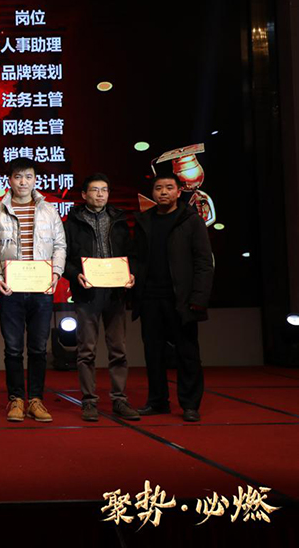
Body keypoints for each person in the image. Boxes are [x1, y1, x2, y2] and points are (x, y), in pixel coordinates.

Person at [0, 157, 66, 423]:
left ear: (35, 179)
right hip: (10, 289)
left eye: (28, 177)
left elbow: (60, 246)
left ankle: (36, 400)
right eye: (18, 177)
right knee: (13, 349)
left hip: (41, 289)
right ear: (9, 180)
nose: (23, 182)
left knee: (39, 349)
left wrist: (56, 273)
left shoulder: (49, 210)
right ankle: (16, 399)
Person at [131, 173, 214, 422]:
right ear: (153, 193)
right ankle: (158, 402)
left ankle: (190, 404)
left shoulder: (191, 220)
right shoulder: (144, 220)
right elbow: (136, 257)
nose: (163, 192)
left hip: (182, 299)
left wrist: (199, 298)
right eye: (158, 188)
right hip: (150, 298)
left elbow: (203, 263)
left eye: (169, 187)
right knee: (153, 353)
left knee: (187, 353)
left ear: (179, 192)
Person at [63, 174, 140, 422]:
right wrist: (75, 275)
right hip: (87, 292)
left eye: (104, 190)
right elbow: (63, 257)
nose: (100, 194)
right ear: (84, 194)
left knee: (118, 349)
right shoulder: (72, 222)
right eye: (95, 190)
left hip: (115, 291)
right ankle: (89, 401)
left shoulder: (119, 219)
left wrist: (131, 274)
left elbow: (131, 253)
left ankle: (119, 399)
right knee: (86, 350)